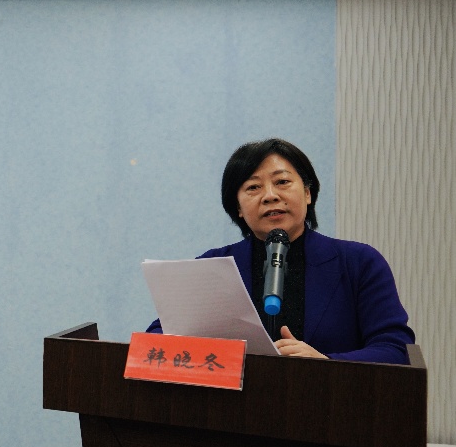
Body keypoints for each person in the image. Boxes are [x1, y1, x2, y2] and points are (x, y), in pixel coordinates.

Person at [149, 138, 414, 365]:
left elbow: (395, 350)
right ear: (238, 207)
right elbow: (157, 340)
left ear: (308, 193)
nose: (270, 195)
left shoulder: (359, 263)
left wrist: (326, 363)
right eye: (253, 187)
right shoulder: (212, 266)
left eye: (282, 182)